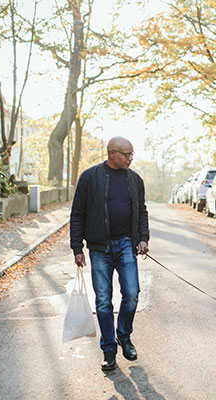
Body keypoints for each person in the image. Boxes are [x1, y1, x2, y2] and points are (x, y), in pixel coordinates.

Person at [69, 136, 149, 372]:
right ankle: (109, 350)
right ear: (112, 153)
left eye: (132, 154)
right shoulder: (90, 177)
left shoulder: (135, 180)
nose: (130, 159)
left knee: (132, 294)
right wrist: (77, 247)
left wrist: (143, 238)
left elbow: (142, 211)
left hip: (126, 244)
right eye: (127, 155)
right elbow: (78, 213)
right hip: (99, 247)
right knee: (103, 301)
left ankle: (124, 336)